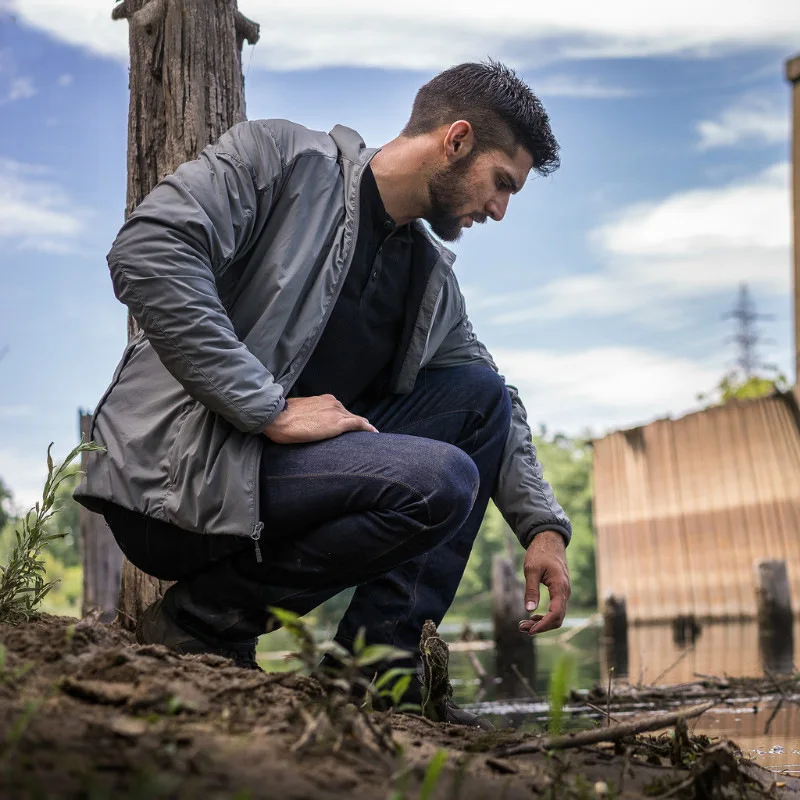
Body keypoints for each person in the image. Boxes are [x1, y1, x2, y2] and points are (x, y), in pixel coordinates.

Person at [74, 60, 572, 727]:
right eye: (501, 183)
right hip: (178, 477)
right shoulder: (282, 158)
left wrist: (543, 528)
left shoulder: (429, 279)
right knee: (440, 479)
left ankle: (379, 680)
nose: (499, 211)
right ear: (455, 141)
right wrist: (267, 406)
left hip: (287, 487)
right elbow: (150, 249)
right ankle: (205, 621)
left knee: (479, 395)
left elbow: (498, 406)